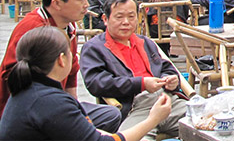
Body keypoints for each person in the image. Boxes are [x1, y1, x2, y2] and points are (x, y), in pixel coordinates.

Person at [0, 0, 121, 131]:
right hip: (35, 110)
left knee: (110, 115)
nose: (86, 4)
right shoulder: (33, 28)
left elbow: (72, 74)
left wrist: (75, 109)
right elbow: (11, 75)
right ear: (57, 3)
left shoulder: (69, 27)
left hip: (59, 104)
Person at [0, 26, 170, 141]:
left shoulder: (28, 89)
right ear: (61, 60)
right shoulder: (51, 102)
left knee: (109, 114)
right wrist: (153, 119)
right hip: (139, 103)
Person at [80, 0, 186, 138]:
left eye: (131, 16)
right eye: (119, 17)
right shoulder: (95, 48)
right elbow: (96, 83)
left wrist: (170, 80)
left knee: (210, 123)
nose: (126, 22)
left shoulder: (145, 42)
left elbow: (166, 68)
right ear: (105, 19)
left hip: (167, 100)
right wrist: (140, 83)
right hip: (135, 106)